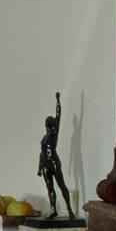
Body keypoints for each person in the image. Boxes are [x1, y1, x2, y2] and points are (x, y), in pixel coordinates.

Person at [38, 91, 75, 219]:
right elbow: (41, 153)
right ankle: (53, 210)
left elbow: (59, 114)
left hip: (53, 161)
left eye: (50, 121)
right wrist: (39, 168)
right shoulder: (44, 136)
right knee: (50, 187)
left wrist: (58, 100)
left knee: (61, 185)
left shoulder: (54, 132)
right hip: (45, 163)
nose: (47, 123)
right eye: (47, 122)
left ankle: (69, 209)